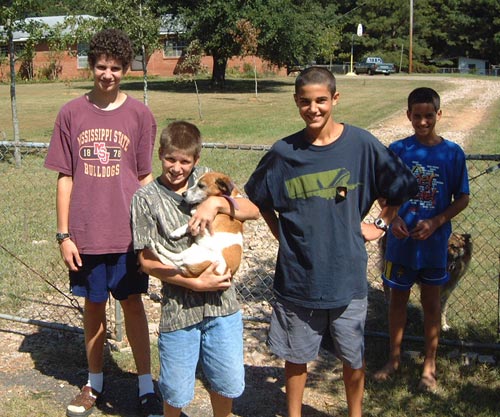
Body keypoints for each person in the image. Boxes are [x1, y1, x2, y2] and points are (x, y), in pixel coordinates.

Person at [244, 66, 418, 417]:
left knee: (353, 358)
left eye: (321, 100)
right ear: (296, 102)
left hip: (346, 277)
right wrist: (281, 236)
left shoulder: (361, 145)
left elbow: (401, 186)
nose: (314, 109)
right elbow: (259, 198)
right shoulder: (283, 153)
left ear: (335, 98)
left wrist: (380, 224)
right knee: (296, 359)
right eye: (305, 102)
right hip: (298, 280)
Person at [44, 29, 162, 417]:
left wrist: (151, 229)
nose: (107, 74)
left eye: (115, 68)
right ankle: (94, 383)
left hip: (127, 233)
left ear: (126, 69)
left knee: (132, 304)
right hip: (86, 232)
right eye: (100, 66)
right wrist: (64, 235)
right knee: (93, 306)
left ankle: (146, 387)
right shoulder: (71, 113)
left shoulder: (141, 115)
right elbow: (66, 177)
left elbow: (144, 178)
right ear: (90, 66)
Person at [131, 121, 260, 417]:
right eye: (170, 159)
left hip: (223, 307)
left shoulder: (208, 180)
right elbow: (147, 261)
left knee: (225, 382)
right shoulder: (145, 199)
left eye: (185, 161)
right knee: (175, 390)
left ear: (196, 161)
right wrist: (194, 284)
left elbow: (251, 210)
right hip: (179, 310)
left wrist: (215, 204)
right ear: (160, 154)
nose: (177, 167)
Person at [373, 87, 470, 392]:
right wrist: (394, 219)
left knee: (431, 305)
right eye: (417, 116)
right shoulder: (398, 149)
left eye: (429, 115)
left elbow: (462, 197)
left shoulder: (452, 153)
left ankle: (430, 365)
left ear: (438, 115)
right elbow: (381, 190)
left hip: (433, 246)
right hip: (401, 245)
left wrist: (437, 221)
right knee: (397, 303)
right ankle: (394, 358)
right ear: (409, 116)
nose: (423, 121)